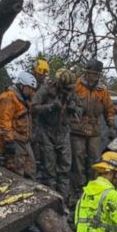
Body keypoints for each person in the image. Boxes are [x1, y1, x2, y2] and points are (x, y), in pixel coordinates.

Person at [32, 68, 82, 198]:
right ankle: (52, 199)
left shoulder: (71, 92)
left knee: (65, 167)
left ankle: (64, 200)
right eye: (65, 88)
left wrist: (74, 108)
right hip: (46, 131)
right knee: (49, 168)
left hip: (63, 131)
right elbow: (33, 108)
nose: (67, 90)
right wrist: (51, 107)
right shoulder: (45, 89)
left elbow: (81, 108)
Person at [70, 59, 115, 197]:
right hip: (77, 128)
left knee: (95, 158)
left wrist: (111, 125)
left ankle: (94, 186)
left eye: (96, 74)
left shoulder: (102, 90)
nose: (93, 77)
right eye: (91, 74)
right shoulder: (76, 86)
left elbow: (109, 109)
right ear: (86, 73)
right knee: (78, 158)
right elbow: (67, 102)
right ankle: (79, 189)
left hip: (95, 129)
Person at [0, 71, 37, 179]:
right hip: (14, 139)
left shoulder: (24, 99)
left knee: (30, 169)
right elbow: (4, 122)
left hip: (23, 140)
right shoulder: (8, 97)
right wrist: (9, 142)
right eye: (29, 88)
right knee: (17, 170)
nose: (31, 92)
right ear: (21, 85)